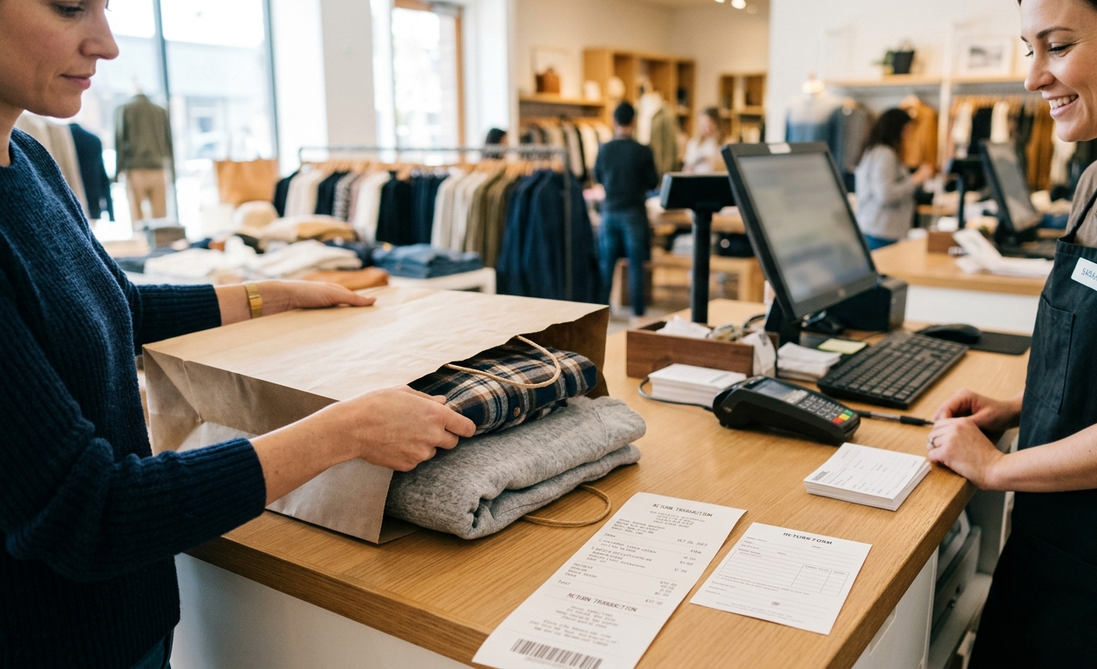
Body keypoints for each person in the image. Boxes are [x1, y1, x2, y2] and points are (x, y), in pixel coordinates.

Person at [0, 2, 476, 667]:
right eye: (71, 5)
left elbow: (113, 308)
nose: (106, 44)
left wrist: (279, 292)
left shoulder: (28, 160)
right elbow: (89, 513)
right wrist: (345, 430)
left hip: (131, 620)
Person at [925, 0, 1097, 666]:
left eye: (1058, 45)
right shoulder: (1096, 180)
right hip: (1057, 541)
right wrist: (1021, 407)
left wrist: (996, 467)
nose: (1033, 78)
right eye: (1029, 49)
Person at [592, 101, 658, 318]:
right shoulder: (642, 151)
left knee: (606, 265)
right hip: (634, 212)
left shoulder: (604, 149)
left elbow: (599, 177)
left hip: (609, 211)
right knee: (635, 264)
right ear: (634, 121)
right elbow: (653, 181)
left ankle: (601, 312)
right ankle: (637, 313)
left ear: (614, 121)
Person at [853, 108, 935, 250]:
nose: (908, 136)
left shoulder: (875, 151)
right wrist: (916, 179)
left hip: (878, 228)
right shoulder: (885, 154)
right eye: (907, 130)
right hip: (880, 230)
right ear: (896, 129)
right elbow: (885, 195)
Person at [682, 107, 723, 174]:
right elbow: (687, 167)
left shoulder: (723, 143)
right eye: (704, 123)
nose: (707, 126)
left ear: (717, 123)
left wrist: (708, 159)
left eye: (710, 123)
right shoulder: (693, 143)